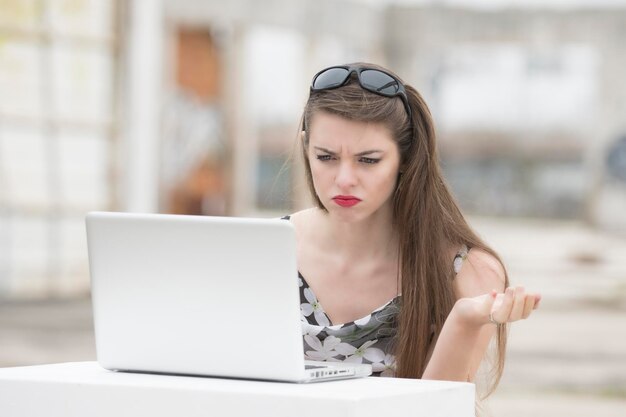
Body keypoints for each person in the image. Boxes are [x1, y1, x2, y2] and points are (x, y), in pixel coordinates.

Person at [284, 63, 541, 397]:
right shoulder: (266, 249)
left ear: (405, 157)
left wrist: (463, 320)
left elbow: (432, 412)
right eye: (326, 157)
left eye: (368, 160)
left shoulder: (464, 273)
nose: (344, 179)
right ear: (306, 148)